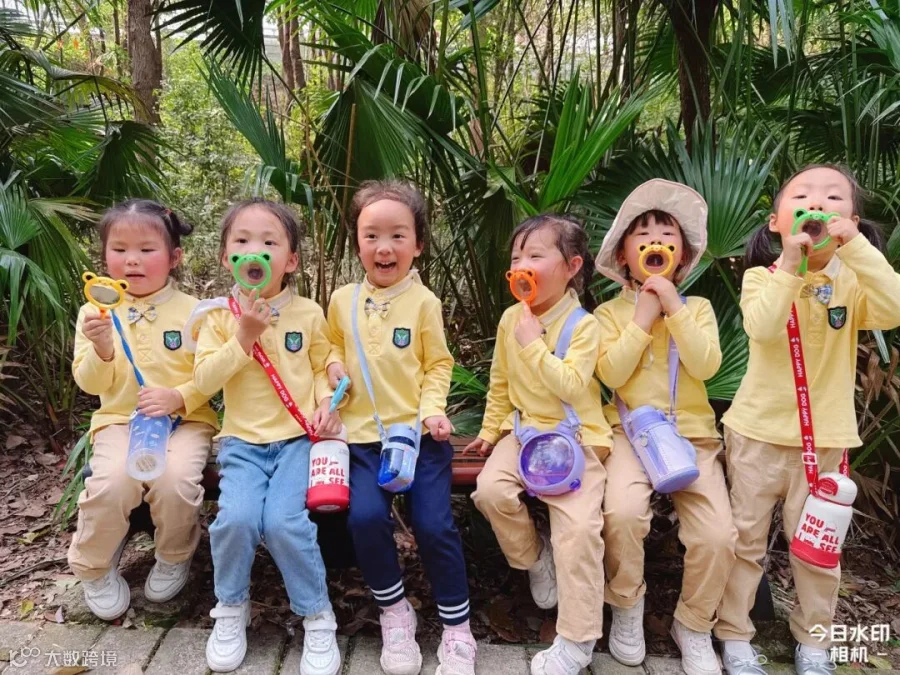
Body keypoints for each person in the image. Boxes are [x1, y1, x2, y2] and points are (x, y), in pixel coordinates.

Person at [714, 165, 900, 675]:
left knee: (818, 549)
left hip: (825, 441)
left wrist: (855, 249)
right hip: (756, 434)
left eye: (834, 197)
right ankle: (734, 636)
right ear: (777, 221)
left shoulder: (854, 281)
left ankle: (814, 642)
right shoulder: (761, 277)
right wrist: (791, 265)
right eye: (802, 194)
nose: (818, 202)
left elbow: (894, 308)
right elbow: (763, 326)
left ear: (851, 222)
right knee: (745, 543)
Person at [326, 180, 476, 675]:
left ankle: (457, 628)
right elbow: (330, 347)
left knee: (434, 525)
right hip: (361, 439)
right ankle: (395, 612)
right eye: (371, 235)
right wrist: (332, 367)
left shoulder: (424, 302)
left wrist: (433, 410)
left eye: (397, 235)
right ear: (357, 243)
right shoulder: (342, 299)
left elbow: (438, 363)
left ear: (418, 244)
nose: (383, 247)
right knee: (365, 519)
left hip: (417, 438)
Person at [593, 179, 736, 675]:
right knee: (623, 513)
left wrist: (673, 308)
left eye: (667, 233)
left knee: (718, 535)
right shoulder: (608, 313)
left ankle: (693, 624)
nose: (656, 239)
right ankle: (626, 605)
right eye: (643, 233)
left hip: (692, 437)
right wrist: (642, 318)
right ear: (624, 255)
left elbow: (706, 365)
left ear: (683, 255)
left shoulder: (698, 309)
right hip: (630, 435)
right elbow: (610, 375)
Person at [193, 199, 342, 675]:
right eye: (242, 241)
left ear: (291, 260)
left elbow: (320, 364)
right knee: (236, 519)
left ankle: (317, 614)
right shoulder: (218, 317)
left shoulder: (308, 312)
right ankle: (230, 606)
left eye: (269, 242)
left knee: (283, 523)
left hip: (297, 441)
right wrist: (243, 335)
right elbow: (203, 380)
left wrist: (326, 400)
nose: (254, 250)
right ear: (226, 258)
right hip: (242, 443)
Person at [465, 214, 611, 675]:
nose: (521, 265)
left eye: (535, 255)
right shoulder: (512, 318)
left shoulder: (584, 325)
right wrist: (490, 431)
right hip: (524, 432)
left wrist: (533, 344)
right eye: (516, 258)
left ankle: (578, 640)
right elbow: (500, 380)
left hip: (576, 439)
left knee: (579, 530)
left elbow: (571, 385)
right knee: (490, 491)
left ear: (571, 267)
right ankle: (533, 557)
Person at [70, 199, 218, 620]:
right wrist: (101, 348)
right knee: (112, 483)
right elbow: (90, 384)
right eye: (119, 249)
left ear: (174, 257)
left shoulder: (195, 311)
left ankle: (174, 556)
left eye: (146, 249)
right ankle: (94, 567)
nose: (131, 260)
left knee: (175, 481)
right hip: (120, 421)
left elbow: (211, 376)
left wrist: (180, 396)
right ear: (104, 256)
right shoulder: (95, 311)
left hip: (186, 422)